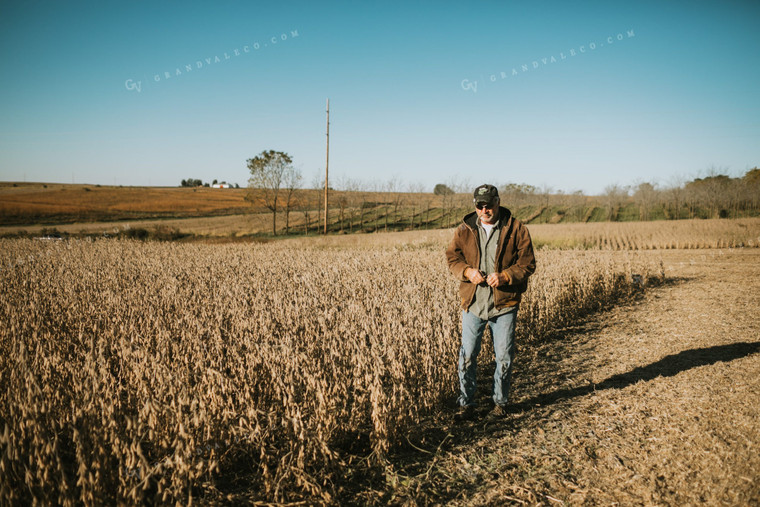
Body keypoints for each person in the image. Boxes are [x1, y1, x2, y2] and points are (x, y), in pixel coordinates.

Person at [445, 184, 536, 420]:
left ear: (498, 202)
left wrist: (506, 276)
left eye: (489, 205)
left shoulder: (516, 229)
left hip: (504, 304)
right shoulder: (464, 230)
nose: (484, 210)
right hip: (473, 303)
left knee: (504, 356)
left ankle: (500, 404)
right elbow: (452, 258)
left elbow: (527, 264)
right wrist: (466, 272)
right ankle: (467, 404)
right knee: (467, 356)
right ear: (475, 205)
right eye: (479, 205)